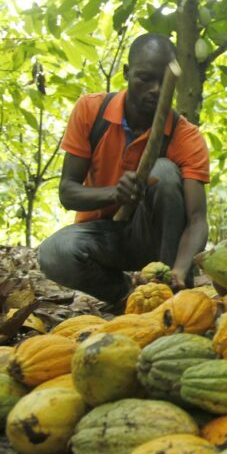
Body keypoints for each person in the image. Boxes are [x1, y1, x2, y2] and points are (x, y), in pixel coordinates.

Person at [38, 33, 210, 306]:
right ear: (127, 73)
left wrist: (179, 267)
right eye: (145, 78)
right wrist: (115, 194)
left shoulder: (186, 137)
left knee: (164, 172)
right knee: (54, 252)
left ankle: (169, 293)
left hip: (158, 239)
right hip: (105, 237)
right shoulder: (91, 111)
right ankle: (128, 298)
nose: (155, 89)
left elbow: (197, 219)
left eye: (164, 81)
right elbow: (68, 193)